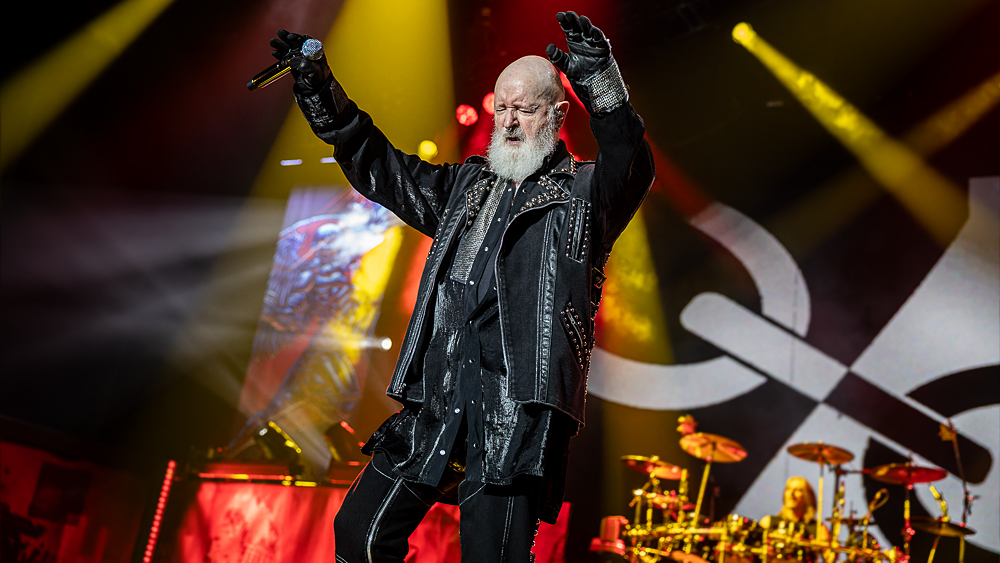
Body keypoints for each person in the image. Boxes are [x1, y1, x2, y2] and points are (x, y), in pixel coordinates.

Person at [267, 11, 654, 562]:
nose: (510, 122)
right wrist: (318, 86)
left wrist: (601, 84)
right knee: (360, 534)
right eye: (503, 109)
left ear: (558, 113)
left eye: (526, 109)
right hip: (439, 395)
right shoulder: (467, 186)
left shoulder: (585, 196)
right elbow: (380, 166)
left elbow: (631, 162)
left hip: (515, 416)